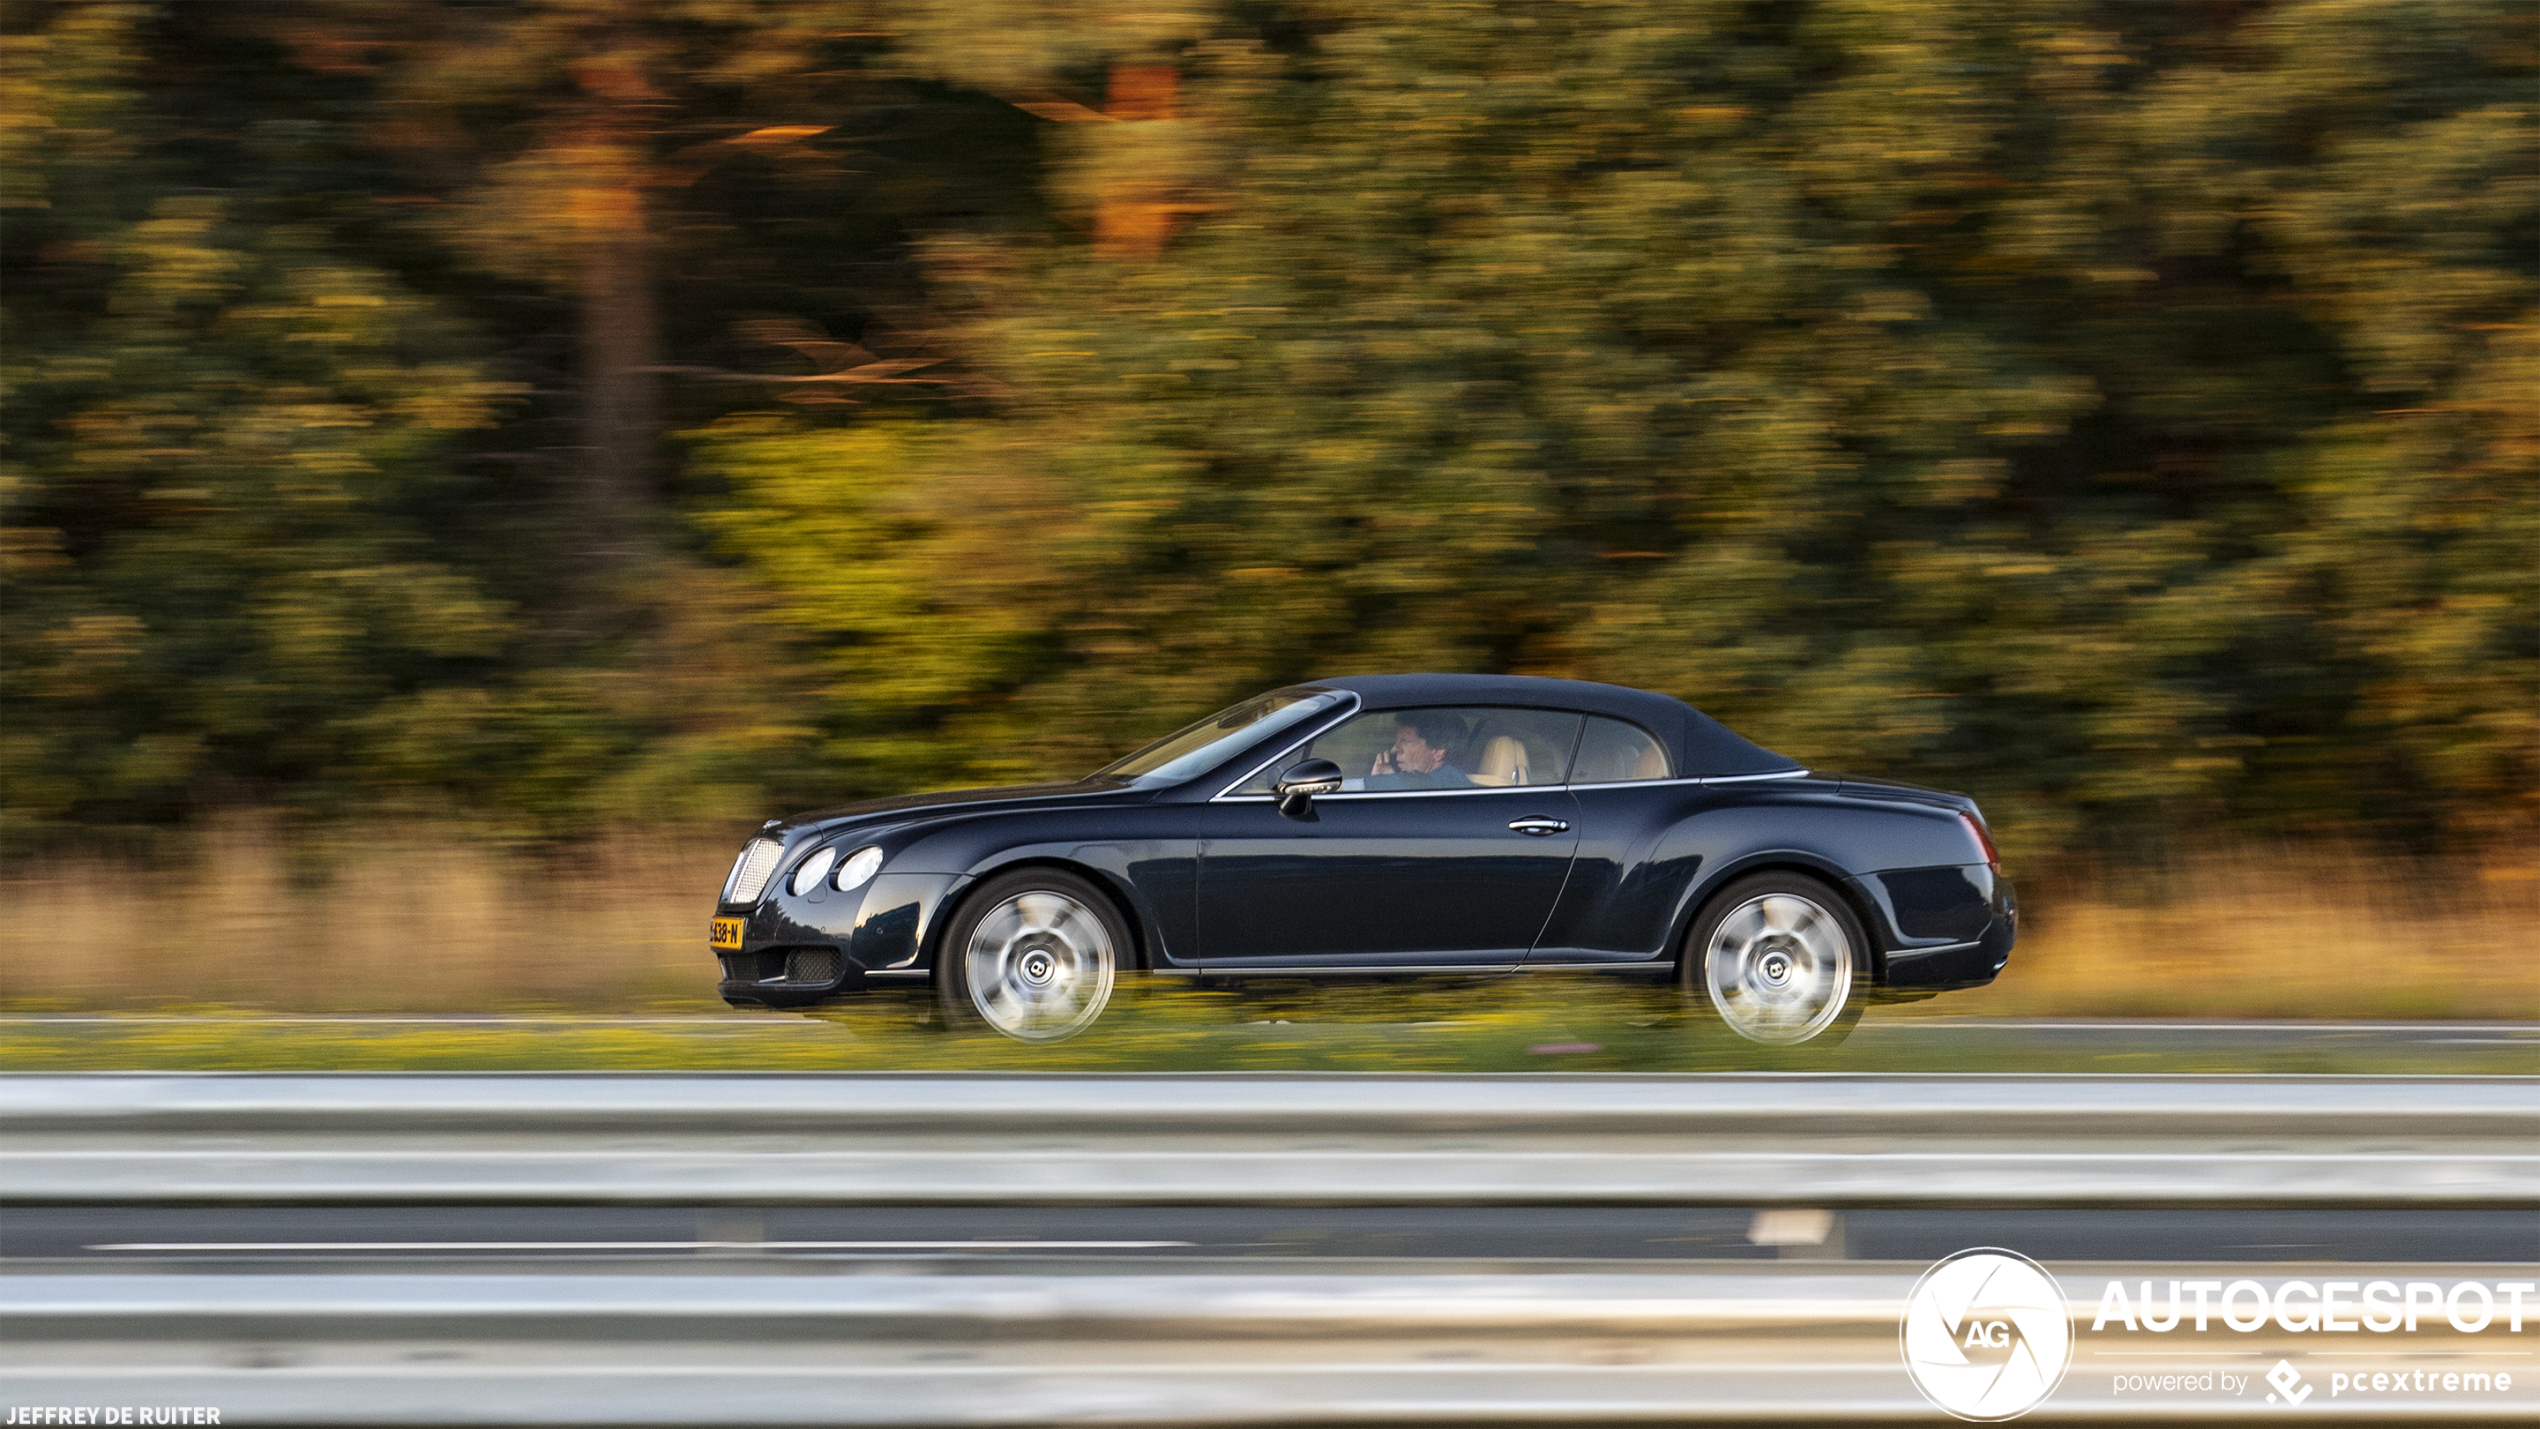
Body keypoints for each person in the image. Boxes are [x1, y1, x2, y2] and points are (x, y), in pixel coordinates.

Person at [1363, 713, 1471, 790]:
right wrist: (1386, 780)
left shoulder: (1451, 779)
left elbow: (1419, 782)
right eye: (1397, 741)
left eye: (1406, 741)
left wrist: (1375, 784)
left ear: (1438, 751)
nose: (1394, 749)